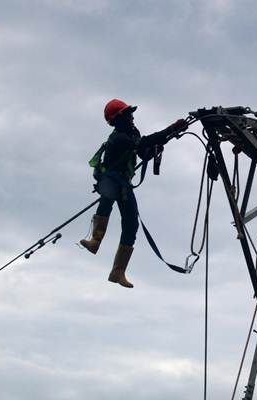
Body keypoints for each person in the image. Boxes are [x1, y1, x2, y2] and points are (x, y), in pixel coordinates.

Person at [79, 98, 188, 288]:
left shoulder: (131, 133)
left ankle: (118, 271)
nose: (132, 118)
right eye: (128, 115)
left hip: (124, 182)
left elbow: (142, 151)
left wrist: (156, 148)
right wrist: (171, 129)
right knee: (107, 198)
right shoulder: (118, 137)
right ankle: (95, 240)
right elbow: (141, 144)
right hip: (110, 178)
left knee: (131, 223)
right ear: (118, 119)